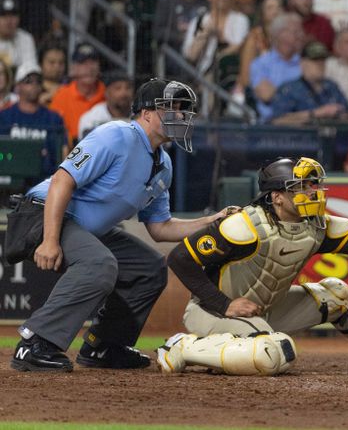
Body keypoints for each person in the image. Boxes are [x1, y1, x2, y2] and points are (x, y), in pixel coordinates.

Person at [9, 78, 234, 372]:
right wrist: (50, 240)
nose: (180, 115)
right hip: (40, 215)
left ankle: (104, 345)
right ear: (147, 113)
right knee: (100, 263)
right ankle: (34, 343)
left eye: (183, 109)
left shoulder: (163, 164)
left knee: (150, 267)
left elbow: (160, 228)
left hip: (83, 228)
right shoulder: (117, 135)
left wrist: (212, 220)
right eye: (172, 108)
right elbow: (63, 180)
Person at [156, 156, 348, 376]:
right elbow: (180, 259)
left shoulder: (315, 226)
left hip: (265, 310)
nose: (312, 191)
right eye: (300, 187)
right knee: (273, 354)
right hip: (212, 312)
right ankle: (183, 347)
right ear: (277, 198)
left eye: (312, 185)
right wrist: (224, 304)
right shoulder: (245, 226)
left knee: (339, 295)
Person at [0, 63, 67, 176]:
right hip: (11, 180)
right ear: (18, 85)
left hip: (45, 181)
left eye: (38, 81)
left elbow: (63, 154)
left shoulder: (54, 118)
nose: (34, 85)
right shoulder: (4, 117)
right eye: (28, 81)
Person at [271, 41, 348, 125]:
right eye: (315, 60)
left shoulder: (332, 86)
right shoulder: (289, 89)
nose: (320, 64)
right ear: (303, 63)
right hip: (303, 136)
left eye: (323, 60)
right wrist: (316, 113)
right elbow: (277, 120)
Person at [49, 44, 106, 143]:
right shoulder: (61, 96)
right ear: (73, 68)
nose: (89, 68)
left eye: (93, 62)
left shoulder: (108, 94)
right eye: (83, 63)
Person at [77, 71, 134, 139]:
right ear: (106, 93)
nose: (123, 93)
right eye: (118, 88)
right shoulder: (91, 118)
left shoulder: (143, 116)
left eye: (128, 88)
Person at [0, 0, 37, 70]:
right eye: (4, 15)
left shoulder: (26, 38)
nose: (9, 21)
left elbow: (30, 68)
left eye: (13, 15)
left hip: (20, 80)